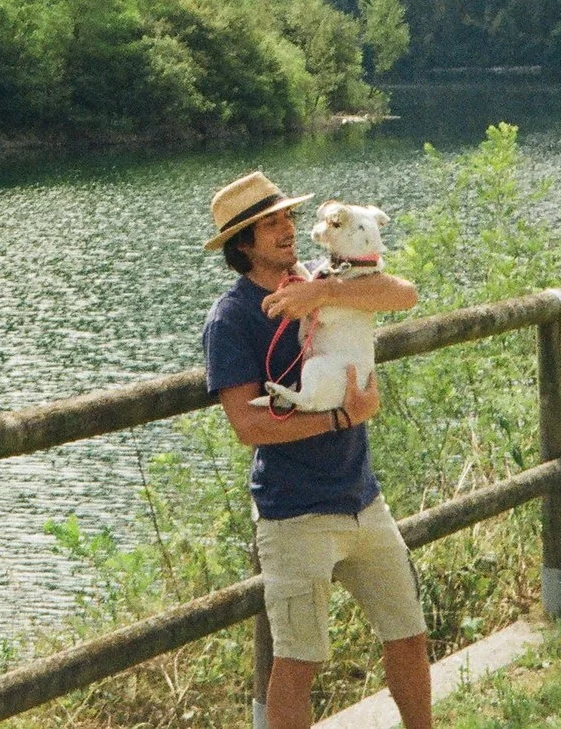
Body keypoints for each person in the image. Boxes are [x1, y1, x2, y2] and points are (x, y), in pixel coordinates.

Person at [201, 171, 429, 729]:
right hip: (294, 512)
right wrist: (340, 416)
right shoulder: (230, 318)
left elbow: (403, 294)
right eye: (269, 223)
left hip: (361, 497)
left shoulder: (320, 280)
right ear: (243, 244)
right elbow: (247, 426)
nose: (287, 230)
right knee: (299, 661)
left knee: (409, 634)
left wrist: (321, 292)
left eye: (287, 218)